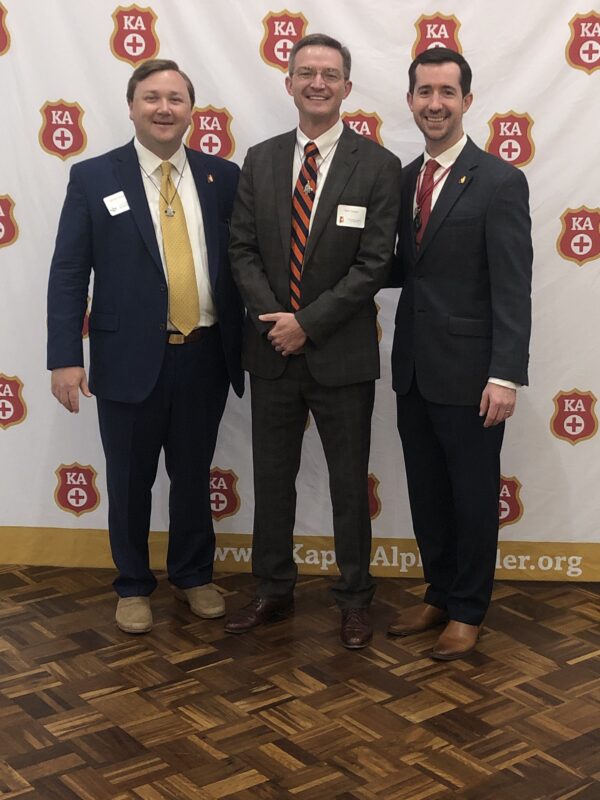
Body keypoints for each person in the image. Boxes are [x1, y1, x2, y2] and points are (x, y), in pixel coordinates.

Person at [47, 59, 244, 634]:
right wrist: (65, 356)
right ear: (131, 106)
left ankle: (192, 576)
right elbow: (67, 272)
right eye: (152, 97)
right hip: (127, 357)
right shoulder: (93, 177)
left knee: (193, 474)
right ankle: (132, 584)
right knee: (130, 478)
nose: (164, 108)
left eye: (176, 99)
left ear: (191, 110)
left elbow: (242, 264)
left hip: (204, 353)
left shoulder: (222, 176)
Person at [226, 33, 401, 649]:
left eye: (330, 74)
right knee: (271, 478)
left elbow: (375, 264)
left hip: (341, 356)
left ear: (348, 87)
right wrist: (279, 319)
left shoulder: (379, 166)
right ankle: (272, 590)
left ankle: (355, 599)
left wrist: (310, 322)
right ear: (289, 83)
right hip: (272, 352)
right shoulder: (262, 158)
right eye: (306, 72)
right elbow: (241, 249)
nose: (318, 83)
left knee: (350, 485)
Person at [388, 48, 532, 659]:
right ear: (411, 100)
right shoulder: (403, 178)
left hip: (473, 378)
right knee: (426, 493)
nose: (435, 103)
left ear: (467, 101)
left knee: (472, 497)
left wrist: (505, 376)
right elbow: (404, 268)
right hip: (413, 371)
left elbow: (512, 286)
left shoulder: (500, 180)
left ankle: (470, 609)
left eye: (447, 92)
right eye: (425, 91)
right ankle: (440, 591)